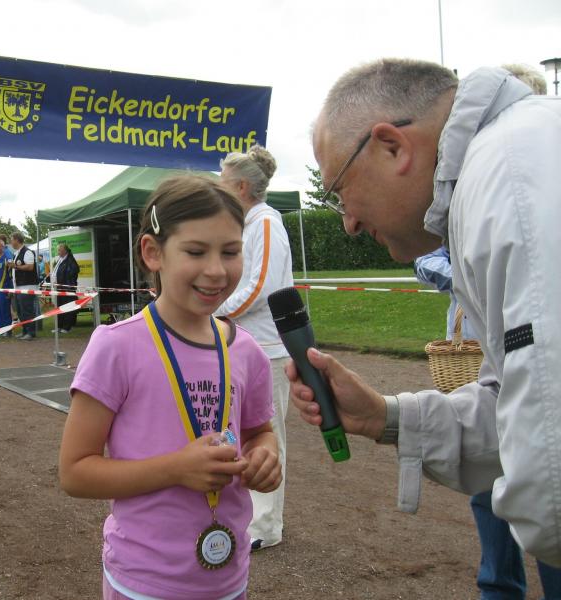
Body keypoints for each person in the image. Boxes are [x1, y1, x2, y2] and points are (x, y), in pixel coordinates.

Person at [290, 59, 561, 566]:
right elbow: (514, 406)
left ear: (392, 146)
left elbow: (555, 483)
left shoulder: (506, 183)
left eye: (339, 192)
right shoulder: (503, 167)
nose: (347, 223)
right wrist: (384, 416)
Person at [59, 175, 282, 599]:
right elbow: (75, 472)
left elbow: (260, 432)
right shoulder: (116, 347)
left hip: (228, 580)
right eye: (196, 252)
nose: (216, 270)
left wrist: (264, 456)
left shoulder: (247, 352)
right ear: (153, 252)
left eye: (230, 251)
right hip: (142, 583)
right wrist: (176, 469)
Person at [416, 247, 561, 598]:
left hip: (535, 359)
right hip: (476, 358)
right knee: (487, 480)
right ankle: (498, 587)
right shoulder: (460, 227)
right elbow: (424, 261)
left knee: (547, 478)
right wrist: (468, 275)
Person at [216, 145, 292, 551]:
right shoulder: (249, 224)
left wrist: (215, 310)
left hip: (267, 347)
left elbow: (260, 287)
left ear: (243, 187)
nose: (219, 187)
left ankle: (266, 526)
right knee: (244, 430)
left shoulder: (264, 223)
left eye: (224, 181)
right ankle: (252, 518)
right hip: (248, 344)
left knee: (268, 433)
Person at [10, 231, 38, 340]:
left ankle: (30, 332)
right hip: (18, 286)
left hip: (27, 286)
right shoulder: (17, 253)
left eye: (12, 240)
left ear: (17, 240)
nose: (11, 242)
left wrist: (16, 267)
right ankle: (25, 330)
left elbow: (30, 267)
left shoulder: (27, 252)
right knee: (20, 311)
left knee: (27, 310)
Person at [51, 243, 80, 333]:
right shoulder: (60, 259)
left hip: (67, 288)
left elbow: (75, 270)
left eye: (59, 250)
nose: (58, 252)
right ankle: (59, 326)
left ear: (65, 251)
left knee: (68, 307)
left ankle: (66, 327)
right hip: (59, 288)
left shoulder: (70, 260)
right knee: (60, 307)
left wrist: (64, 279)